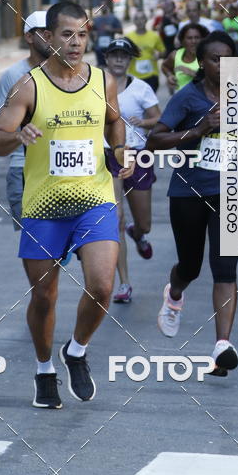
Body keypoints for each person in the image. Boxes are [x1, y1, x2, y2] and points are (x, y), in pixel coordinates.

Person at [0, 1, 133, 408]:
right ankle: (44, 367)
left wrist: (120, 150)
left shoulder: (103, 81)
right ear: (48, 37)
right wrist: (18, 136)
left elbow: (114, 120)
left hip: (95, 200)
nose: (75, 42)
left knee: (103, 285)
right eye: (67, 34)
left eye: (83, 35)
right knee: (44, 296)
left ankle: (77, 351)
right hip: (44, 206)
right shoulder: (28, 86)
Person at [147, 31, 238, 376]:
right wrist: (198, 131)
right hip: (188, 191)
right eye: (216, 59)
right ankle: (174, 293)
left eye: (229, 58)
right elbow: (155, 140)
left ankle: (222, 345)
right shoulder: (187, 97)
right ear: (202, 62)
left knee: (226, 269)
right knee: (191, 266)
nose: (224, 64)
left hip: (231, 191)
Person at [103, 38, 161, 303]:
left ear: (130, 60)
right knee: (116, 218)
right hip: (107, 156)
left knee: (144, 223)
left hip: (136, 156)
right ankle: (124, 284)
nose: (118, 60)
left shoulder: (141, 88)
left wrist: (144, 121)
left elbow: (159, 119)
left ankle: (137, 234)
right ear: (106, 58)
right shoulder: (95, 86)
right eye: (114, 55)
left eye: (123, 56)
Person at [0, 11, 50, 229]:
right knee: (32, 243)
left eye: (52, 32)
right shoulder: (13, 75)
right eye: (43, 33)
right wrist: (19, 128)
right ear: (29, 37)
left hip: (60, 170)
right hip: (21, 167)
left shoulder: (68, 73)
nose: (49, 37)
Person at [161, 23, 208, 91]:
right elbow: (164, 66)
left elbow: (215, 80)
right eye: (189, 38)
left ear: (202, 39)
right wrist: (169, 75)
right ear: (182, 41)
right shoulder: (175, 55)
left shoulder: (207, 56)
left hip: (202, 99)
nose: (193, 41)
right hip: (180, 100)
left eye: (197, 37)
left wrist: (192, 73)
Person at [127, 11, 166, 92]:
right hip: (134, 76)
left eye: (142, 18)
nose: (139, 21)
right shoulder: (128, 37)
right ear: (134, 21)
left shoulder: (154, 36)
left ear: (146, 20)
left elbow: (163, 51)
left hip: (151, 75)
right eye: (137, 19)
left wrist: (159, 55)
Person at [91, 2, 123, 66]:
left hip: (110, 47)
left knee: (111, 66)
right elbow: (91, 31)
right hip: (99, 48)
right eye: (101, 5)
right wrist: (93, 39)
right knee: (101, 67)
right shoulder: (96, 19)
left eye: (104, 5)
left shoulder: (113, 18)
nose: (103, 7)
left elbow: (121, 31)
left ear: (108, 6)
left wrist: (112, 30)